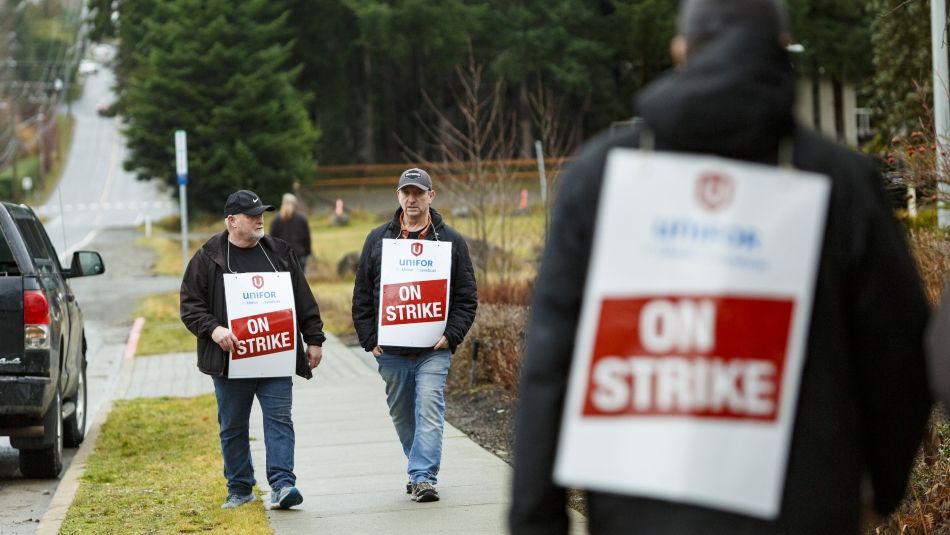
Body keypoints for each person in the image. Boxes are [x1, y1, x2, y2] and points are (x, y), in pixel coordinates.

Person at [509, 1, 931, 533]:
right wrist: (877, 493)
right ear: (782, 52)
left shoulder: (599, 177)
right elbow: (900, 356)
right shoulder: (840, 181)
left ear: (680, 53)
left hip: (639, 516)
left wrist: (535, 519)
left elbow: (551, 365)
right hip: (805, 512)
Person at [180, 189, 325, 510]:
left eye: (262, 213)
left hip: (276, 357)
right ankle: (240, 488)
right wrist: (215, 330)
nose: (261, 219)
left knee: (280, 421)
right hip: (230, 363)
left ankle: (283, 485)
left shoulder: (279, 253)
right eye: (252, 215)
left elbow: (304, 299)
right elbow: (190, 306)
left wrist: (313, 339)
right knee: (233, 427)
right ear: (232, 221)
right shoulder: (208, 257)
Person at [352, 167, 477, 503]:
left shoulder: (451, 241)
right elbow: (362, 294)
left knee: (429, 409)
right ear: (398, 197)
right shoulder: (378, 240)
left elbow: (467, 298)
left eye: (418, 193)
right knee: (403, 414)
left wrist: (451, 336)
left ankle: (423, 476)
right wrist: (369, 339)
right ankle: (417, 467)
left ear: (430, 197)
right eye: (406, 193)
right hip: (390, 351)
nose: (412, 199)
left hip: (433, 348)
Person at [269, 193, 312, 272]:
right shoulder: (301, 218)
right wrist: (308, 252)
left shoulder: (276, 219)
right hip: (299, 255)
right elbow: (307, 238)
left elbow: (272, 239)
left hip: (281, 256)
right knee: (299, 282)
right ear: (295, 204)